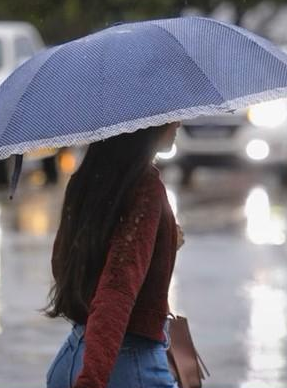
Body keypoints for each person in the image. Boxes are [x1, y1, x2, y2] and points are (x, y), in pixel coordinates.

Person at [43, 122, 184, 388]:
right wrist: (92, 381)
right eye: (168, 117)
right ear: (144, 125)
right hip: (124, 366)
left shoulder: (85, 182)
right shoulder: (145, 189)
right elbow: (116, 290)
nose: (177, 122)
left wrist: (161, 245)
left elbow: (63, 265)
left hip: (72, 357)